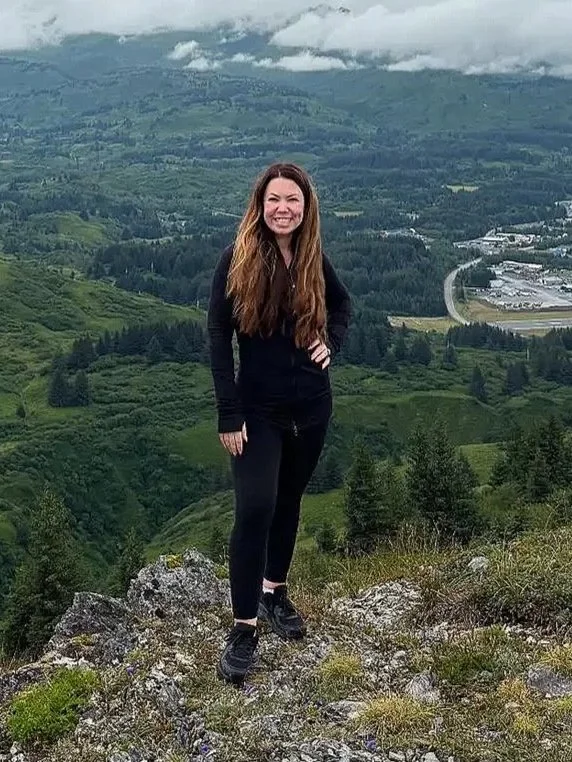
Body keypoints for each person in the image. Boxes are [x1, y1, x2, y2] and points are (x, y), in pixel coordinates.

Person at [207, 162, 351, 685]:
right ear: (260, 204)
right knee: (255, 508)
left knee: (288, 501)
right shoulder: (237, 259)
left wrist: (330, 342)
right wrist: (229, 411)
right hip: (258, 411)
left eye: (293, 200)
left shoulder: (314, 258)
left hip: (312, 407)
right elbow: (218, 337)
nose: (283, 208)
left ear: (306, 207)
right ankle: (244, 627)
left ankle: (275, 593)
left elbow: (343, 306)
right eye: (274, 200)